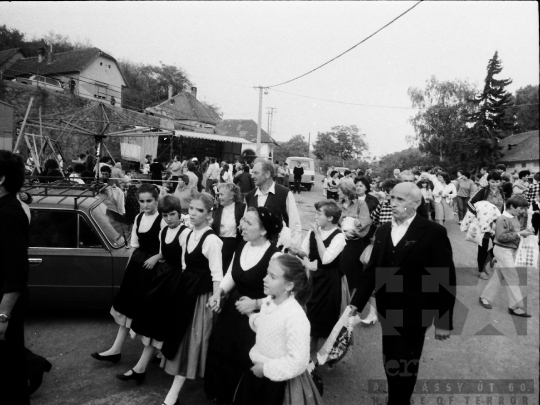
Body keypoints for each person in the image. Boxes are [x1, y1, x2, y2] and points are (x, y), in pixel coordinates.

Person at [349, 182, 456, 405]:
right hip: (388, 309)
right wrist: (356, 303)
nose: (393, 203)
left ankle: (399, 401)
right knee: (390, 357)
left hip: (417, 312)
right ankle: (396, 397)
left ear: (416, 203)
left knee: (406, 362)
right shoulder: (384, 230)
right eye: (392, 198)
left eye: (400, 199)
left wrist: (443, 320)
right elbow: (372, 271)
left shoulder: (433, 232)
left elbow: (444, 278)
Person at [205, 207, 282, 404]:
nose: (241, 226)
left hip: (257, 319)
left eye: (248, 223)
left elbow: (283, 297)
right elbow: (232, 273)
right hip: (233, 310)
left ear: (264, 230)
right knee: (222, 352)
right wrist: (219, 292)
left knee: (244, 359)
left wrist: (255, 304)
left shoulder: (274, 256)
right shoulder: (242, 246)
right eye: (242, 221)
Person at [232, 255, 323, 405]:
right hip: (257, 368)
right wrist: (249, 314)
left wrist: (265, 369)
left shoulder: (295, 317)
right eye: (267, 273)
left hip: (277, 382)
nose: (264, 279)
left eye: (272, 276)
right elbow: (266, 326)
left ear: (289, 286)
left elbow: (298, 361)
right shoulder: (270, 301)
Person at [160, 194, 223, 405]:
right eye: (192, 209)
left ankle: (174, 394)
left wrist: (215, 299)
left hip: (201, 297)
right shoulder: (186, 235)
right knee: (182, 338)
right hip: (186, 291)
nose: (193, 214)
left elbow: (217, 275)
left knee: (195, 341)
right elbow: (185, 266)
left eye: (200, 210)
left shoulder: (212, 240)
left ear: (209, 214)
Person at [91, 184, 164, 363]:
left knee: (147, 312)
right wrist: (129, 266)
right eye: (142, 201)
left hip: (154, 270)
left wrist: (156, 257)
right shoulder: (139, 218)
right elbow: (134, 245)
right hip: (137, 267)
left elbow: (168, 247)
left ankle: (156, 352)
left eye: (149, 201)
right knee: (126, 307)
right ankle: (115, 349)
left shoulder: (162, 220)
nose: (145, 205)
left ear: (156, 201)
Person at [120, 195, 189, 385]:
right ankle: (142, 365)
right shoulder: (164, 231)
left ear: (179, 213)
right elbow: (163, 253)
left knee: (161, 322)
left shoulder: (185, 233)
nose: (168, 219)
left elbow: (185, 263)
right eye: (165, 215)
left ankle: (145, 365)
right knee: (151, 318)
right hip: (163, 276)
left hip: (176, 280)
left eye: (172, 214)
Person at [290, 200, 346, 378]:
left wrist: (317, 236)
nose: (316, 217)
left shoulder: (339, 236)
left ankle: (312, 357)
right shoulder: (315, 232)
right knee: (307, 314)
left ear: (330, 218)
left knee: (319, 319)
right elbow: (307, 251)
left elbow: (327, 258)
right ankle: (306, 355)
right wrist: (297, 252)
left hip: (328, 281)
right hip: (312, 278)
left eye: (319, 214)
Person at [0, 151, 30, 404]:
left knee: (9, 372)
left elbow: (16, 272)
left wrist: (2, 317)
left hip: (3, 305)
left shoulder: (9, 214)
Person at [479, 196, 534, 318]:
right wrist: (520, 234)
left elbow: (513, 233)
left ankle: (485, 297)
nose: (522, 211)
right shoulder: (502, 219)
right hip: (503, 250)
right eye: (520, 208)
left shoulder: (514, 218)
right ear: (511, 207)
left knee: (499, 276)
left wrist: (525, 231)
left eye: (524, 209)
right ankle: (515, 307)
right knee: (513, 278)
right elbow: (501, 237)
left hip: (509, 251)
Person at [245, 159, 302, 247]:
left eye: (256, 173)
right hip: (255, 249)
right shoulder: (249, 196)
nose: (252, 176)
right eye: (252, 173)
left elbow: (294, 223)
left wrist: (292, 247)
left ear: (267, 174)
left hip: (277, 250)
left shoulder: (284, 193)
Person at [336, 180, 372, 293]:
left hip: (354, 244)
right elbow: (332, 223)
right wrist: (342, 233)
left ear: (346, 191)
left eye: (339, 190)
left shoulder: (360, 204)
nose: (337, 192)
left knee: (354, 274)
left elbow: (365, 221)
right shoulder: (337, 205)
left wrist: (354, 231)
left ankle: (351, 302)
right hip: (340, 241)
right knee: (340, 271)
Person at [468, 171, 505, 280]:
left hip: (497, 223)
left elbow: (503, 206)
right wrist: (478, 214)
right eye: (492, 181)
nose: (494, 184)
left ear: (500, 182)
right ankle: (481, 270)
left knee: (498, 246)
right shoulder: (483, 191)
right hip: (484, 224)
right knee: (483, 247)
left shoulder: (501, 191)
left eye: (497, 182)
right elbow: (470, 203)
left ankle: (490, 260)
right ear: (488, 181)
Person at [212, 183, 246, 272]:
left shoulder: (242, 208)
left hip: (235, 245)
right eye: (219, 194)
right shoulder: (217, 209)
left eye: (222, 194)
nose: (219, 197)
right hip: (220, 244)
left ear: (231, 196)